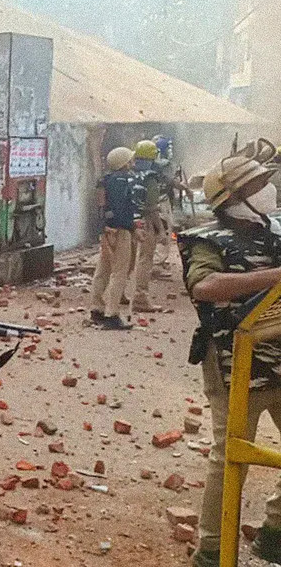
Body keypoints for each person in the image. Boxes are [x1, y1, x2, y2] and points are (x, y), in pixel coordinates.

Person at [180, 157, 281, 567]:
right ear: (237, 198)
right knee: (230, 459)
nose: (269, 190)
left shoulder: (272, 232)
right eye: (259, 185)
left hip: (279, 354)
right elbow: (205, 286)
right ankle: (212, 550)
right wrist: (276, 276)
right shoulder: (207, 241)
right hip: (234, 361)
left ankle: (274, 532)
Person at [89, 147, 142, 330]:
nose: (132, 163)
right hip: (120, 231)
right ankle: (112, 314)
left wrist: (105, 227)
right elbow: (124, 209)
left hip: (107, 229)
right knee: (119, 271)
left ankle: (96, 308)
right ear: (123, 163)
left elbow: (103, 207)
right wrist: (133, 228)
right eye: (130, 160)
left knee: (103, 268)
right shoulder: (124, 181)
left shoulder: (105, 180)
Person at [130, 140, 176, 311]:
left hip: (128, 222)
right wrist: (161, 231)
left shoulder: (129, 173)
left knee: (127, 260)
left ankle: (118, 294)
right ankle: (140, 297)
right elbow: (151, 209)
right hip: (144, 223)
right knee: (145, 260)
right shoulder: (150, 178)